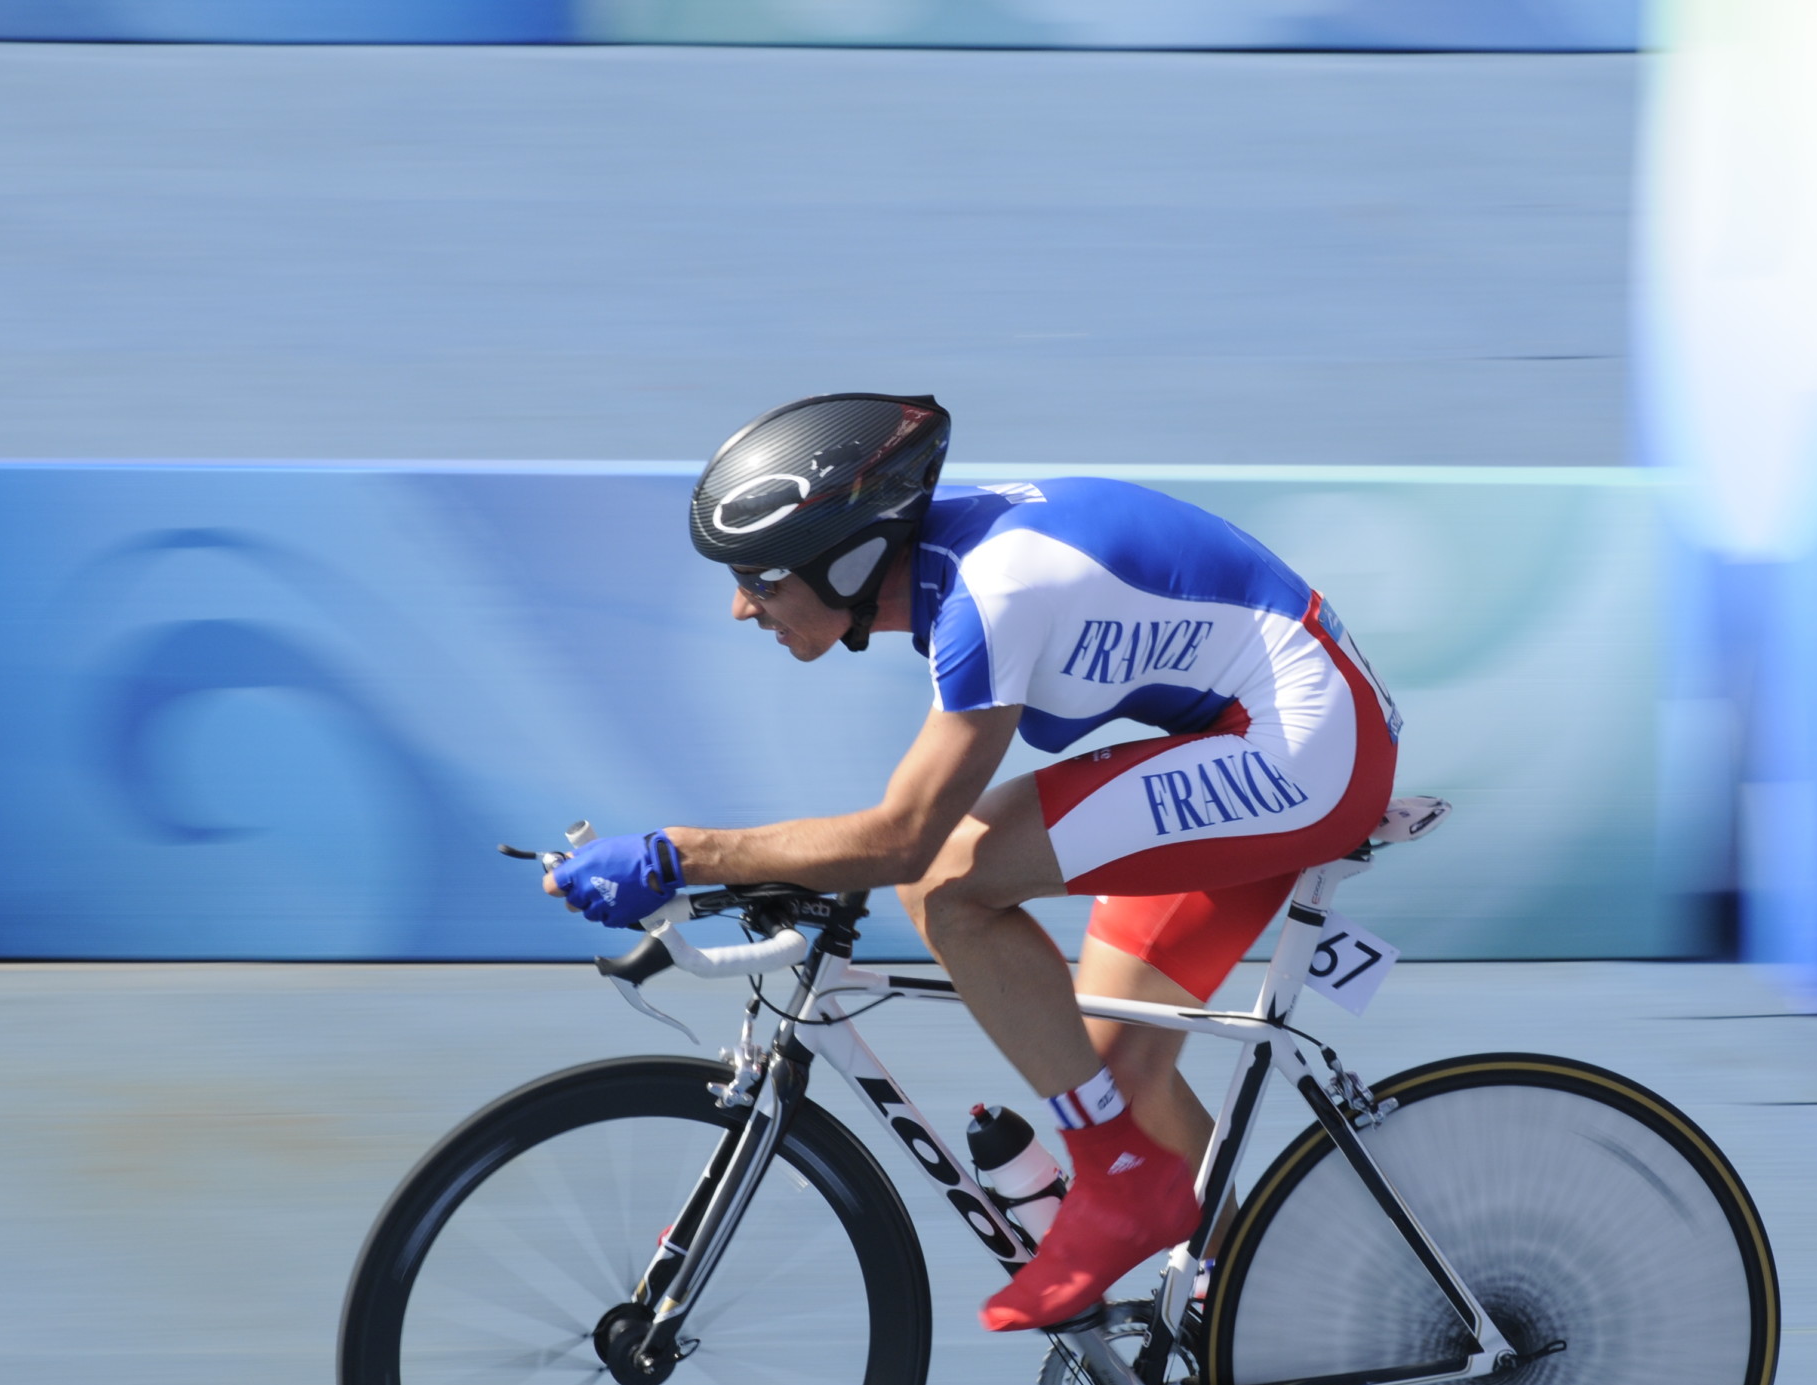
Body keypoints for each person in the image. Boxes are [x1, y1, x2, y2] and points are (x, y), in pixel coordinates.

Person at [545, 392, 1399, 1334]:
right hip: (1257, 727)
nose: (741, 605)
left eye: (762, 578)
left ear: (852, 558)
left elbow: (906, 837)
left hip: (1303, 747)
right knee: (1115, 1074)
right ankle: (1241, 1344)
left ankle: (1121, 1187)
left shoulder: (992, 599)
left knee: (948, 886)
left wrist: (684, 855)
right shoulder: (957, 572)